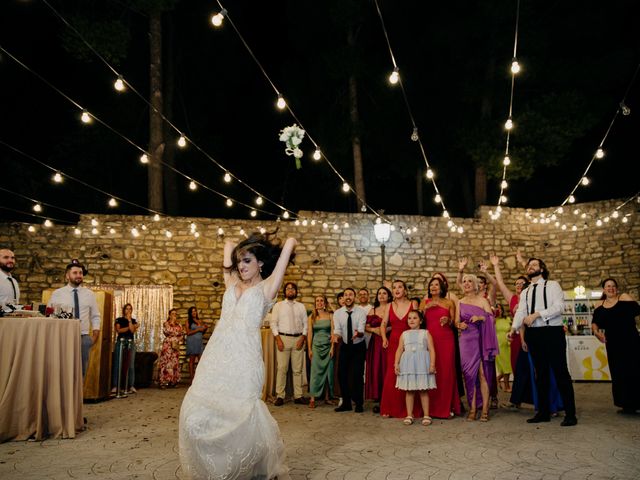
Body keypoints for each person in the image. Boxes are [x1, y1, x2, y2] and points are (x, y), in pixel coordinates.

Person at [179, 233, 296, 480]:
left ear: (260, 263)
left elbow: (284, 258)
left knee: (242, 410)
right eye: (239, 262)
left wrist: (290, 243)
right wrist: (236, 245)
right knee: (200, 408)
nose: (241, 266)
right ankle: (216, 465)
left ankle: (253, 466)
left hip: (245, 357)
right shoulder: (231, 281)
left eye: (247, 261)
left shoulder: (267, 287)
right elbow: (228, 247)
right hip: (217, 354)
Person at [512, 257, 577, 426]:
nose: (530, 267)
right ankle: (543, 412)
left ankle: (570, 414)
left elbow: (560, 307)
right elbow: (521, 311)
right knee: (540, 374)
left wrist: (538, 314)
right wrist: (514, 328)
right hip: (534, 334)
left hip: (552, 332)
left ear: (542, 268)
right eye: (529, 265)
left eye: (534, 264)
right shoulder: (525, 292)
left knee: (560, 372)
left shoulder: (553, 285)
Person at [591, 278, 640, 414]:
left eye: (613, 286)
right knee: (618, 373)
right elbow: (595, 322)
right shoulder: (599, 304)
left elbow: (637, 311)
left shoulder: (624, 298)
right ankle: (626, 405)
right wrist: (596, 332)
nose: (611, 288)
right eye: (608, 286)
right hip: (613, 343)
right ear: (604, 289)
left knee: (635, 370)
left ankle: (637, 402)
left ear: (616, 288)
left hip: (631, 341)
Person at [48, 259, 100, 377]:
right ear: (67, 276)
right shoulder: (57, 294)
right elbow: (50, 315)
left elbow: (95, 315)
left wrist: (95, 335)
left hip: (83, 337)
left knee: (81, 371)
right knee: (62, 369)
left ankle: (77, 395)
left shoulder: (89, 294)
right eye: (75, 273)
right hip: (63, 337)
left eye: (80, 273)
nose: (79, 275)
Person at [456, 274, 498, 422]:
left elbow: (491, 318)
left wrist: (480, 318)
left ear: (476, 285)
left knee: (482, 374)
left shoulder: (483, 301)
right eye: (464, 281)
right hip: (466, 341)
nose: (467, 284)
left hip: (481, 339)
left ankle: (485, 409)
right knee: (468, 375)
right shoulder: (459, 302)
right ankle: (473, 409)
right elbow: (456, 322)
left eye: (470, 281)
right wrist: (460, 325)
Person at [380, 280, 422, 418]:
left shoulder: (413, 304)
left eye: (400, 287)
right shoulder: (389, 306)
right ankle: (390, 408)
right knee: (392, 373)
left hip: (410, 342)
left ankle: (411, 410)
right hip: (393, 342)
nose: (397, 289)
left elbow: (418, 322)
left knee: (410, 372)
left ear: (405, 290)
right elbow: (383, 324)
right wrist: (384, 338)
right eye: (394, 287)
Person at [423, 277, 460, 418]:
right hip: (429, 339)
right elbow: (418, 321)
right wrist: (425, 309)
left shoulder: (449, 302)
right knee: (432, 371)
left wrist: (448, 320)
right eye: (431, 285)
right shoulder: (424, 303)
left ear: (442, 287)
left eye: (436, 285)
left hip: (446, 340)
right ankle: (431, 407)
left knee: (446, 371)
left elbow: (453, 323)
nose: (433, 287)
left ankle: (447, 405)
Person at [394, 310, 437, 426]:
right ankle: (409, 414)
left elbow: (432, 349)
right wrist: (396, 363)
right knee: (409, 390)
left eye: (415, 318)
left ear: (421, 320)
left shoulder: (425, 333)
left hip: (422, 364)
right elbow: (399, 349)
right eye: (409, 318)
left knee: (423, 390)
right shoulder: (404, 334)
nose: (411, 320)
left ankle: (426, 415)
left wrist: (432, 364)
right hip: (408, 364)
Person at [271, 282, 309, 406]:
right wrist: (278, 339)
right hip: (283, 338)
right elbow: (273, 323)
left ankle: (298, 396)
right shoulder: (278, 306)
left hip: (298, 339)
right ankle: (280, 396)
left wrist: (303, 337)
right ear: (285, 291)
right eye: (288, 289)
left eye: (293, 289)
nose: (290, 290)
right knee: (282, 369)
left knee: (297, 370)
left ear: (296, 291)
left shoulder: (301, 306)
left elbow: (305, 323)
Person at [333, 287, 367, 413]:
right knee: (341, 374)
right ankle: (346, 403)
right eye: (346, 295)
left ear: (354, 297)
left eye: (351, 295)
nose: (348, 297)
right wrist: (336, 336)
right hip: (345, 345)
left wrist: (358, 334)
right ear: (343, 297)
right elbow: (337, 330)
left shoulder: (361, 312)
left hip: (358, 345)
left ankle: (359, 403)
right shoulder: (338, 313)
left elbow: (361, 329)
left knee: (357, 375)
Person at [365, 286, 392, 413]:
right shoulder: (373, 310)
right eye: (379, 293)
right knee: (377, 369)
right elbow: (365, 326)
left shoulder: (393, 307)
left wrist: (388, 329)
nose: (381, 295)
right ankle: (381, 400)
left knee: (388, 369)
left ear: (389, 295)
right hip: (375, 344)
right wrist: (374, 330)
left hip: (390, 341)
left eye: (384, 293)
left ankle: (390, 399)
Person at [308, 294, 335, 409]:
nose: (319, 303)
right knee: (315, 372)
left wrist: (333, 347)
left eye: (321, 301)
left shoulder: (330, 316)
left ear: (325, 303)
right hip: (316, 347)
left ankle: (327, 397)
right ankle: (312, 398)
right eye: (317, 301)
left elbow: (333, 333)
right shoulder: (311, 317)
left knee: (329, 372)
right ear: (315, 303)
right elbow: (310, 334)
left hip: (328, 346)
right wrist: (309, 349)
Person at [111, 303, 139, 394]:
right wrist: (130, 327)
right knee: (118, 364)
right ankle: (115, 386)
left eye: (130, 309)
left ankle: (131, 385)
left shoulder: (133, 320)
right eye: (127, 309)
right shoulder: (119, 319)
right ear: (124, 310)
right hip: (121, 342)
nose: (128, 311)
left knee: (130, 364)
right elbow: (119, 330)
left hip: (131, 343)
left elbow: (132, 331)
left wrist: (130, 321)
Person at [158, 309, 184, 388]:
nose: (174, 315)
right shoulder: (166, 323)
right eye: (172, 314)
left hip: (175, 345)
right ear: (169, 315)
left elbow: (182, 334)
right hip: (168, 345)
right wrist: (175, 334)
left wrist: (178, 340)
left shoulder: (179, 325)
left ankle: (173, 381)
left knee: (174, 362)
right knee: (166, 362)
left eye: (175, 314)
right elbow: (168, 331)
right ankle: (163, 381)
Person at [185, 306, 207, 382]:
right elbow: (188, 333)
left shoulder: (199, 321)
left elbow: (202, 332)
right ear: (190, 313)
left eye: (195, 311)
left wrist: (204, 329)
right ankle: (192, 379)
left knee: (201, 361)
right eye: (192, 311)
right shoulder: (188, 321)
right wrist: (198, 329)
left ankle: (199, 379)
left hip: (199, 342)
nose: (194, 312)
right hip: (192, 342)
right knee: (192, 361)